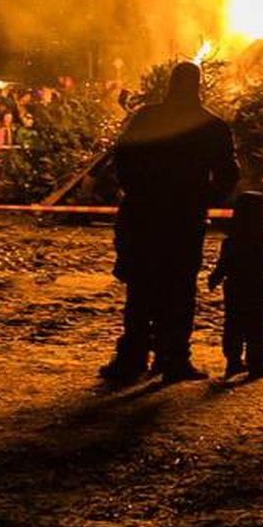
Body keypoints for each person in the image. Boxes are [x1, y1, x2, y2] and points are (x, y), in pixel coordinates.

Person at [101, 62, 239, 383]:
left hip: (145, 214)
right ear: (197, 86)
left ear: (170, 85)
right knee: (179, 288)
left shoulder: (147, 117)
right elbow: (228, 173)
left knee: (141, 287)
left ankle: (132, 357)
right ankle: (173, 357)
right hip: (183, 217)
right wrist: (206, 198)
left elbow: (122, 156)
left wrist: (135, 189)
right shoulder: (212, 126)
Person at [208, 191, 263, 379]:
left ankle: (233, 361)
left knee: (233, 324)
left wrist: (214, 278)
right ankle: (257, 361)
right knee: (257, 326)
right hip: (257, 289)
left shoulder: (231, 241)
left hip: (234, 288)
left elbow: (223, 264)